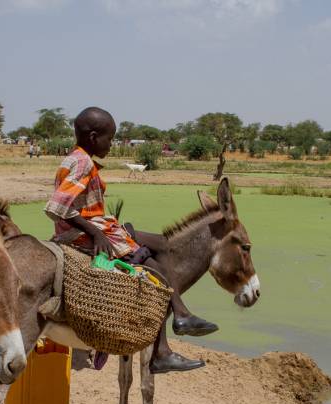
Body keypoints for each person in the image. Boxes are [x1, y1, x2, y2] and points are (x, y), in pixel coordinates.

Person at [44, 106, 217, 373]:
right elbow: (57, 206)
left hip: (96, 225)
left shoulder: (75, 158)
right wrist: (96, 233)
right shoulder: (83, 163)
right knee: (151, 265)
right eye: (109, 139)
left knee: (161, 244)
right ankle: (166, 342)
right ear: (93, 137)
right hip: (83, 233)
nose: (111, 145)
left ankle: (180, 315)